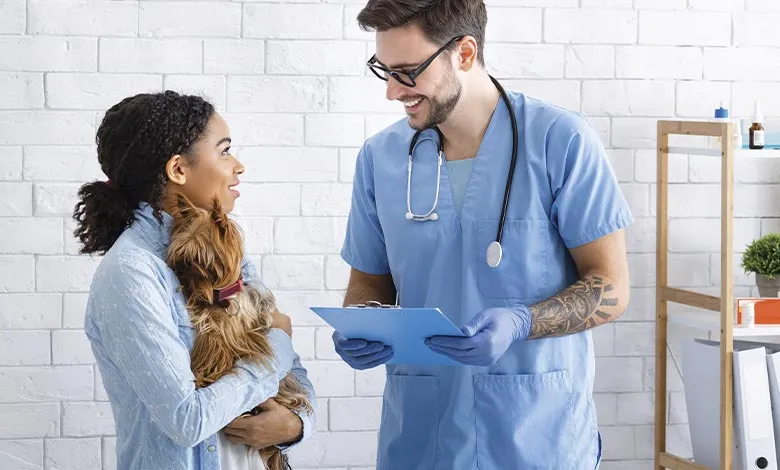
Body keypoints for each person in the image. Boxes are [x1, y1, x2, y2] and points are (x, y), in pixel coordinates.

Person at [333, 1, 632, 469]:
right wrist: (360, 325)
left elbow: (611, 288)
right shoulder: (380, 158)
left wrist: (521, 322)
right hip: (419, 439)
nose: (392, 91)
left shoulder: (561, 141)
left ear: (465, 53)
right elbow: (369, 283)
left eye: (408, 72)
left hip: (536, 436)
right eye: (384, 71)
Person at [75, 91, 316, 470]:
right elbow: (188, 420)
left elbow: (294, 381)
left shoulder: (229, 253)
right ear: (178, 170)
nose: (238, 166)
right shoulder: (131, 275)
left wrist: (295, 425)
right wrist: (279, 346)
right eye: (224, 151)